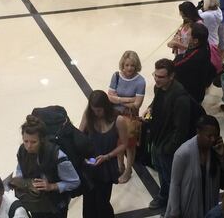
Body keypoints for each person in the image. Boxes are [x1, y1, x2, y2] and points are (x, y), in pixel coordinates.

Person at [147, 59, 192, 211]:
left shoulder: (180, 98)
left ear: (171, 76)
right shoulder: (159, 88)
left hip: (167, 144)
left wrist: (168, 148)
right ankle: (164, 196)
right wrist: (150, 108)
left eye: (161, 77)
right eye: (155, 75)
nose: (156, 79)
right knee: (161, 171)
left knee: (171, 177)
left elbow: (180, 130)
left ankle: (173, 206)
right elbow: (156, 104)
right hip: (158, 137)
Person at [13, 116, 81, 218]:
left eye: (33, 142)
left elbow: (74, 181)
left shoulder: (57, 155)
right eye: (25, 141)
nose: (28, 146)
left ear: (42, 140)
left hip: (55, 207)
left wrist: (51, 186)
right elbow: (20, 170)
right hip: (35, 205)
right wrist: (20, 182)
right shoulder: (22, 151)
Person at [166, 115, 224, 218]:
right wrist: (175, 212)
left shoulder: (214, 149)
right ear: (198, 132)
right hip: (188, 208)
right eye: (209, 136)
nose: (213, 139)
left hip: (209, 204)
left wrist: (222, 155)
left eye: (215, 136)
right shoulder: (183, 153)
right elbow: (175, 184)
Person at [78, 90, 127, 218]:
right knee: (88, 203)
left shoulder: (118, 120)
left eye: (99, 110)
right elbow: (79, 136)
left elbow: (124, 144)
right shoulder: (88, 115)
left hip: (106, 166)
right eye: (94, 110)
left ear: (105, 107)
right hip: (89, 165)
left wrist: (107, 156)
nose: (96, 113)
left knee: (102, 203)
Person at [107, 50, 146, 183]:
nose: (129, 68)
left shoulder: (140, 81)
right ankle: (120, 166)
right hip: (116, 115)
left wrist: (117, 99)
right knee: (117, 142)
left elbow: (137, 104)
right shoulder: (116, 76)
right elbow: (109, 97)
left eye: (132, 65)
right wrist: (128, 99)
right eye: (127, 65)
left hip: (130, 118)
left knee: (129, 146)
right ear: (122, 65)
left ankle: (128, 169)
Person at [174, 23, 215, 103]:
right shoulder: (204, 45)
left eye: (188, 35)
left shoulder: (195, 56)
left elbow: (176, 65)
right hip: (197, 88)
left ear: (195, 40)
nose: (186, 37)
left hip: (191, 94)